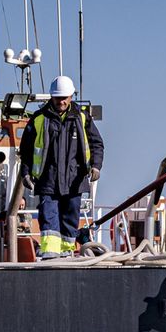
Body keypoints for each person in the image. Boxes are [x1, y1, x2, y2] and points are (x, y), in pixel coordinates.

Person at [18, 76, 103, 258]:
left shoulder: (82, 118)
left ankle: (66, 252)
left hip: (75, 179)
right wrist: (25, 173)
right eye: (58, 98)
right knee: (48, 215)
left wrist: (96, 166)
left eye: (64, 97)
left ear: (71, 96)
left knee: (70, 217)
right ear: (52, 97)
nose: (61, 101)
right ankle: (50, 253)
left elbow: (96, 144)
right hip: (47, 179)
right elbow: (25, 149)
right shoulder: (39, 119)